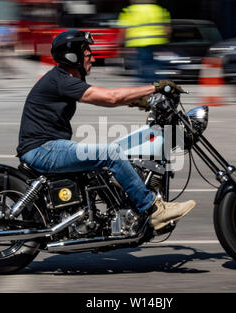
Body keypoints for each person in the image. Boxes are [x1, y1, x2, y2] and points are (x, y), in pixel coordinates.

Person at [17, 30, 195, 231]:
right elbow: (111, 97)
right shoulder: (61, 80)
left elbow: (108, 97)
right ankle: (153, 209)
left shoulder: (61, 79)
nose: (92, 58)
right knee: (110, 153)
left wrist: (139, 100)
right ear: (72, 55)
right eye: (87, 53)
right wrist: (155, 87)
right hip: (43, 150)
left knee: (104, 158)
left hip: (48, 147)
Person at [117, 0, 171, 83]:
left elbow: (123, 30)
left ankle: (146, 88)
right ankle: (160, 86)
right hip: (157, 44)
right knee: (156, 67)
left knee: (144, 69)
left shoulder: (130, 10)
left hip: (140, 44)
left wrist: (120, 44)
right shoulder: (159, 9)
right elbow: (168, 29)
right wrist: (166, 41)